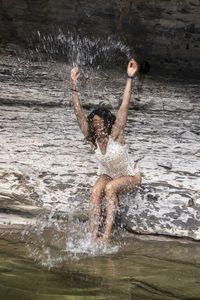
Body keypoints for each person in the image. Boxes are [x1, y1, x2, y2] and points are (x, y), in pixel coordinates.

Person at [70, 59, 141, 241]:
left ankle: (106, 235)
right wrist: (73, 86)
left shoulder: (116, 134)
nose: (99, 126)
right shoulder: (92, 139)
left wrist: (129, 77)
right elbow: (79, 115)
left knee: (110, 188)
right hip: (108, 173)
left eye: (102, 123)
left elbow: (124, 105)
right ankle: (93, 234)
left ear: (107, 123)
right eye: (95, 123)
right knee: (95, 191)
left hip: (129, 176)